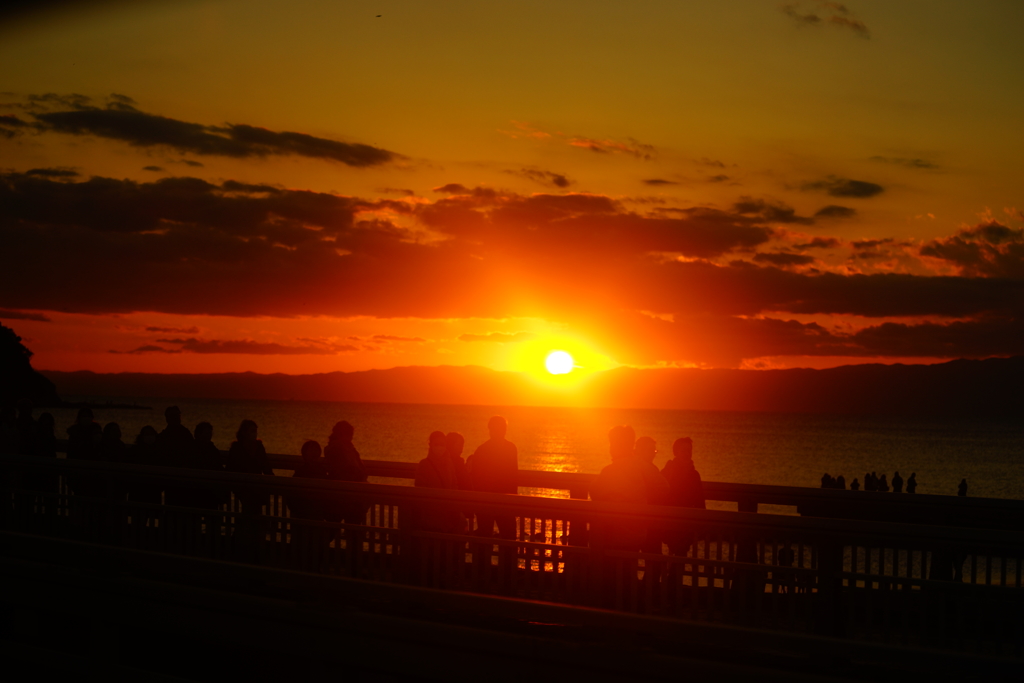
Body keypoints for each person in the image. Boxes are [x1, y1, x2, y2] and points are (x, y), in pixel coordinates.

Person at [590, 425, 647, 551]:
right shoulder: (642, 468)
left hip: (618, 534)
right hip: (637, 531)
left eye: (612, 444)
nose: (610, 448)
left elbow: (594, 492)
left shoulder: (611, 471)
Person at [466, 415, 519, 539]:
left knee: (491, 536)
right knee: (506, 536)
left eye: (500, 429)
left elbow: (476, 477)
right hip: (499, 500)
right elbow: (513, 476)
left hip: (491, 501)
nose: (498, 432)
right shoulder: (510, 448)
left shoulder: (482, 449)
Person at [413, 431, 466, 534]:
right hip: (431, 515)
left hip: (448, 513)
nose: (439, 447)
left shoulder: (449, 464)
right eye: (436, 444)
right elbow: (420, 489)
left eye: (442, 444)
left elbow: (455, 485)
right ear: (430, 445)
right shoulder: (424, 465)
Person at [323, 420, 369, 525]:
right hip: (344, 495)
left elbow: (361, 470)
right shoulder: (335, 449)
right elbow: (344, 471)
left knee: (342, 525)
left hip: (352, 495)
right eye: (349, 434)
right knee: (349, 525)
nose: (351, 437)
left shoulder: (350, 449)